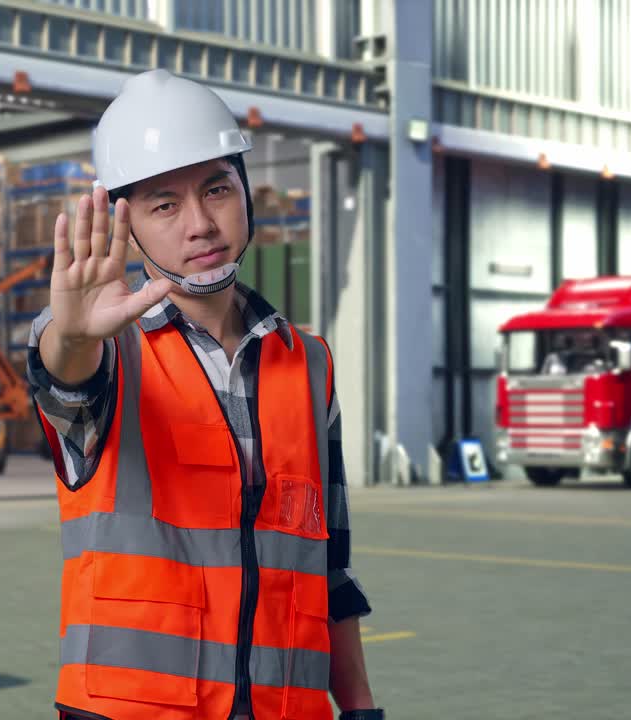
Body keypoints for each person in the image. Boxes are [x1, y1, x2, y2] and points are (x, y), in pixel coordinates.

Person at [25, 70, 383, 720]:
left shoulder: (309, 366)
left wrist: (359, 707)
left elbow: (329, 569)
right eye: (165, 205)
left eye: (217, 189)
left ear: (245, 193)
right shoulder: (108, 353)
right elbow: (65, 383)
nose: (200, 224)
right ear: (126, 226)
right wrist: (72, 338)